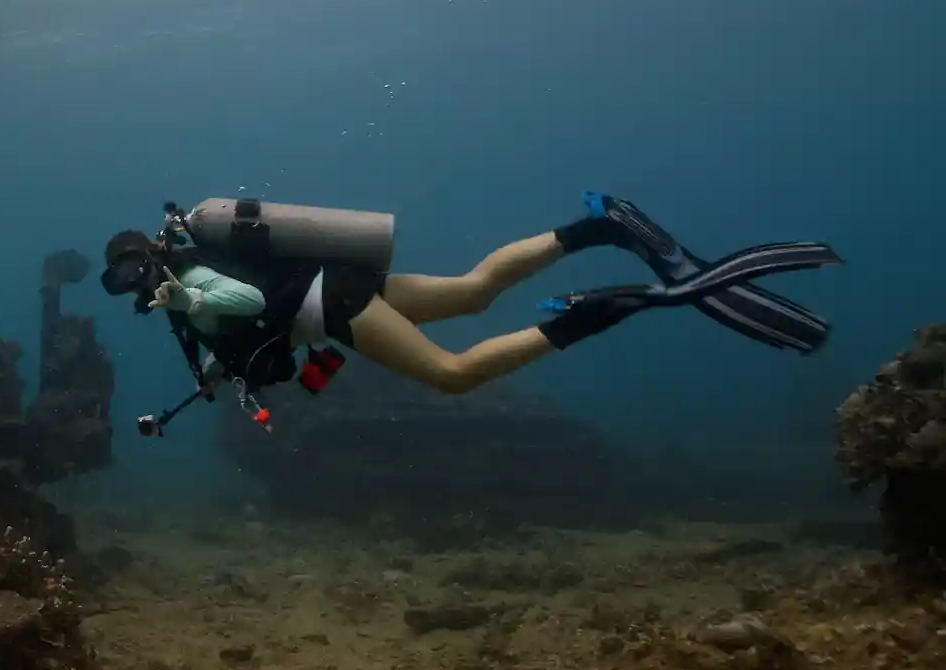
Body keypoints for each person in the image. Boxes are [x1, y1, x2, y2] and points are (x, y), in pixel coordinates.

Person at [101, 192, 840, 410]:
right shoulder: (182, 295)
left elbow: (236, 299)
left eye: (133, 274)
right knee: (475, 291)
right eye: (123, 285)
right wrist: (210, 371)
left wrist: (183, 298)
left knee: (454, 374)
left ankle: (601, 310)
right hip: (339, 292)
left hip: (333, 306)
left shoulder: (191, 285)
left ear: (154, 258)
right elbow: (247, 334)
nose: (134, 289)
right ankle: (596, 225)